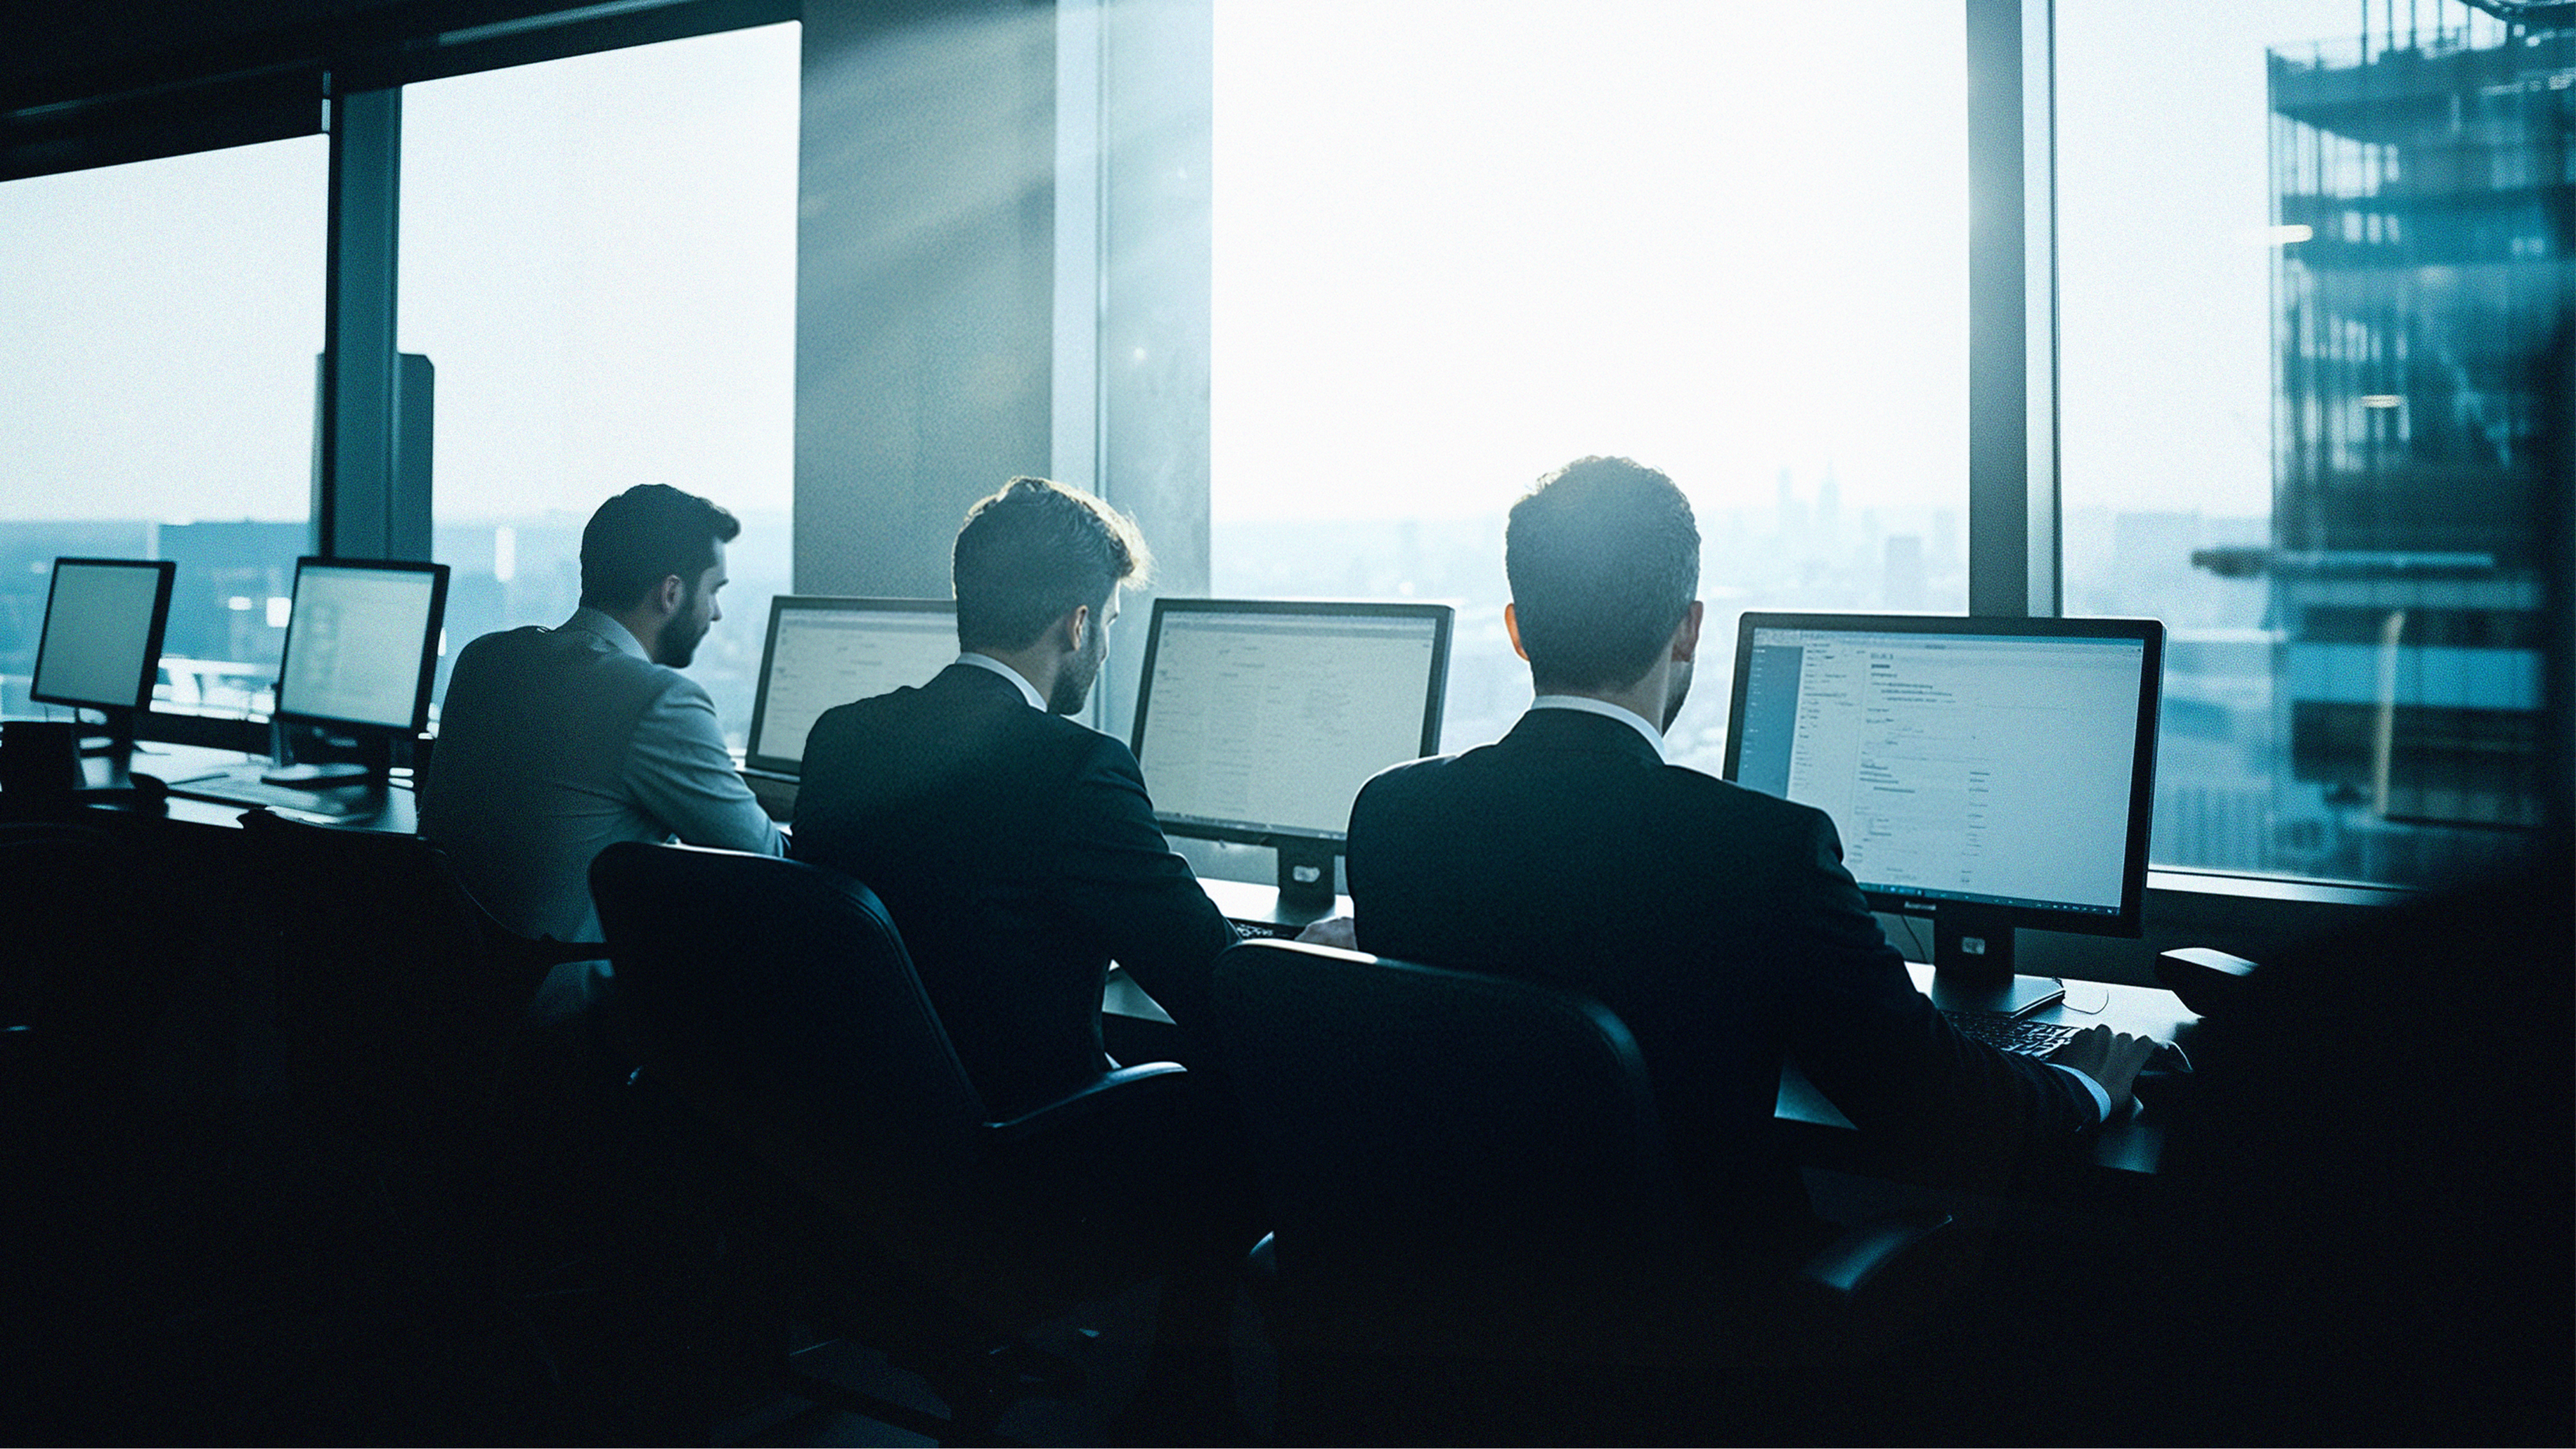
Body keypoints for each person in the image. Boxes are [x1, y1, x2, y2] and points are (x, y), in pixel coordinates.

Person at [1342, 455, 2154, 1263]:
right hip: (1696, 1310)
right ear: (1689, 628)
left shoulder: (1391, 813)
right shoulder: (1760, 852)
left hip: (1454, 1291)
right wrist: (2086, 1082)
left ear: (1516, 629)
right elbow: (1934, 1107)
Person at [791, 475, 1253, 1443]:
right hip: (1011, 1173)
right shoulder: (1074, 767)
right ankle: (1178, 1414)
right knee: (1229, 1098)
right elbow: (1210, 978)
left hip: (849, 1163)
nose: (1106, 642)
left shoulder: (840, 739)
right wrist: (1301, 954)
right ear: (1077, 624)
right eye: (1110, 621)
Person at [422, 483, 782, 1017]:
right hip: (563, 1017)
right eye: (713, 592)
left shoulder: (485, 659)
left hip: (450, 998)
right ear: (670, 593)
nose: (716, 614)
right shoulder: (658, 699)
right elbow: (764, 858)